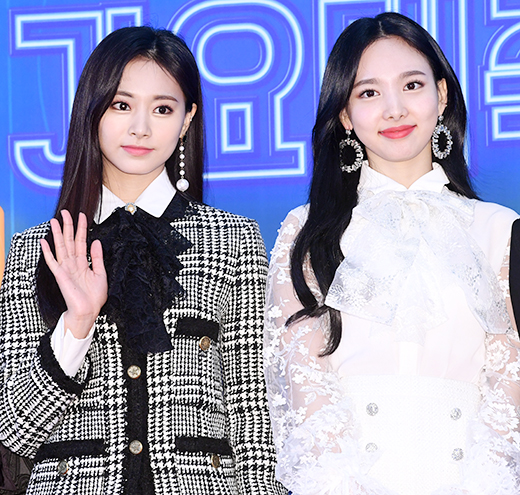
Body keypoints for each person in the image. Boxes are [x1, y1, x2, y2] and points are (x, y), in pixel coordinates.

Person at [0, 26, 285, 495]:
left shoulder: (233, 239)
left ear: (187, 120)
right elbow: (15, 431)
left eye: (163, 109)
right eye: (121, 105)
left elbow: (253, 412)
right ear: (92, 110)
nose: (141, 128)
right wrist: (78, 323)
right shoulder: (37, 249)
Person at [264, 12, 520, 495]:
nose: (395, 109)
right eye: (369, 93)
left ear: (441, 95)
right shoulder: (306, 230)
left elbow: (511, 378)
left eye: (412, 85)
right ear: (345, 115)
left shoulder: (501, 229)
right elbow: (304, 377)